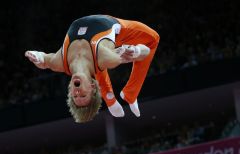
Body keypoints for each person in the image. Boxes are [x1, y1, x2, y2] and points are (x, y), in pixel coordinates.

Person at [25, 14, 160, 123]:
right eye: (83, 94)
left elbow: (44, 60)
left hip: (83, 25)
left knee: (95, 67)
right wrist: (135, 51)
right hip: (112, 26)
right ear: (93, 88)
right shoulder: (107, 58)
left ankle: (116, 97)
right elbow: (146, 52)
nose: (77, 91)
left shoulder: (59, 63)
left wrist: (38, 57)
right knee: (153, 39)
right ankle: (128, 94)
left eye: (75, 95)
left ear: (70, 89)